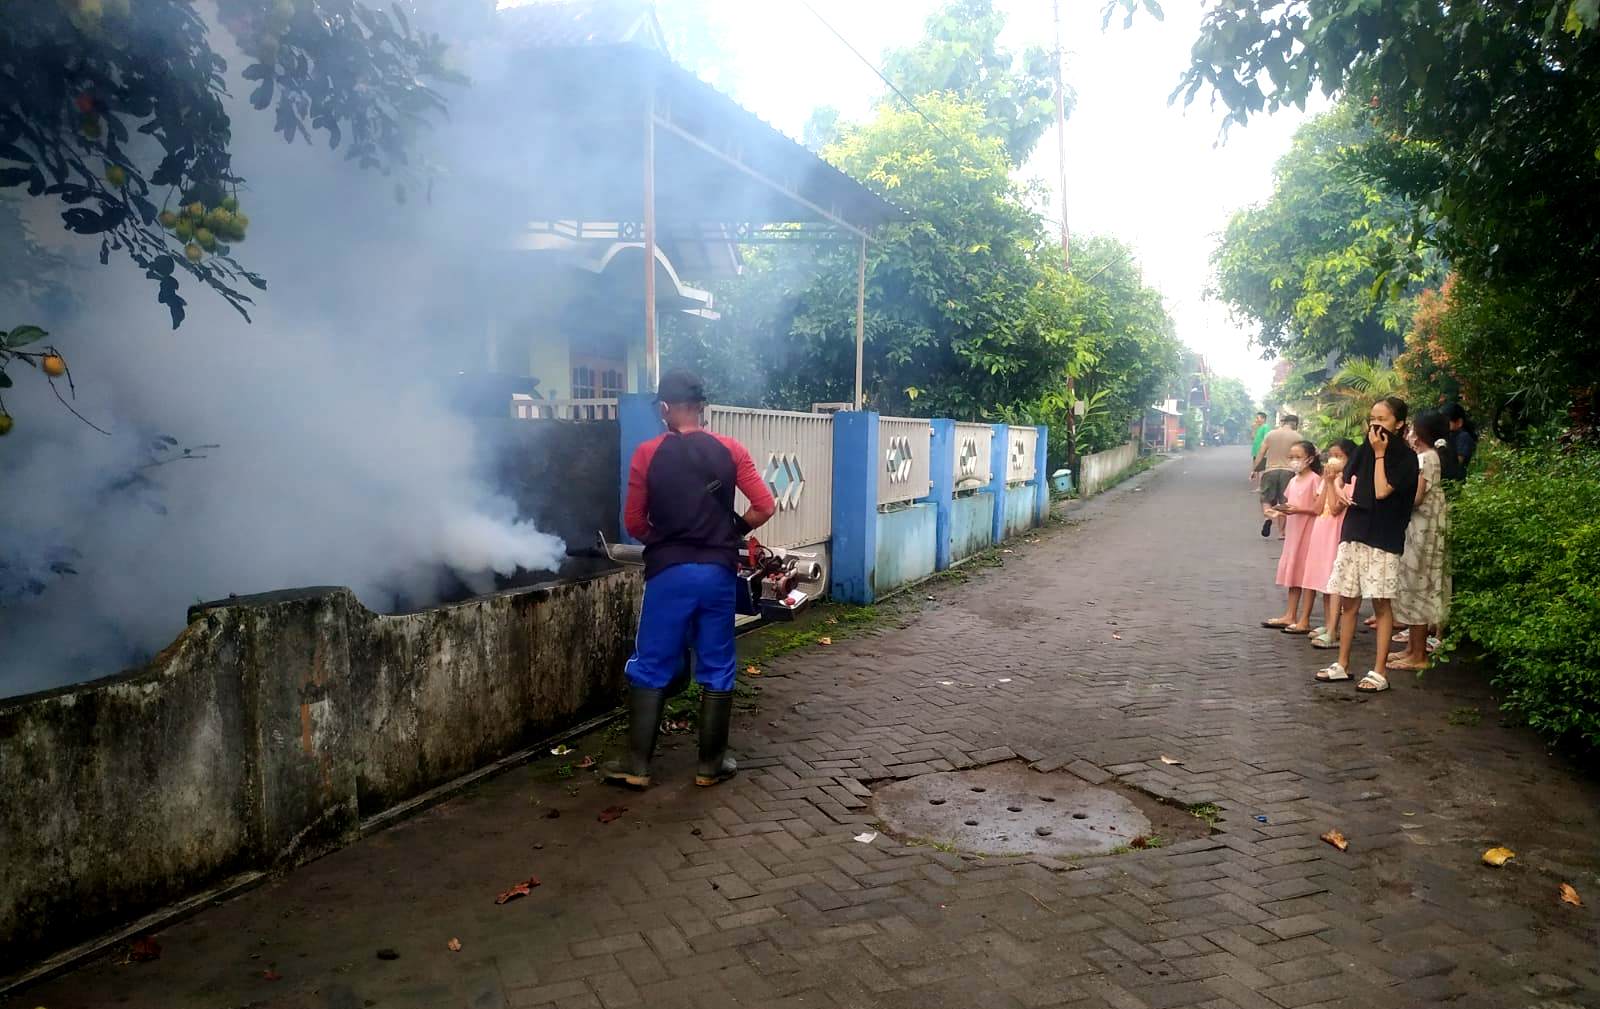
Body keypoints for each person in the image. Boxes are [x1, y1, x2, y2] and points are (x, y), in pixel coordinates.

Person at [604, 370, 776, 789]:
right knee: (717, 663)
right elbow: (765, 505)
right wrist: (731, 531)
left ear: (664, 408)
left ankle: (638, 768)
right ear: (701, 407)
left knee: (652, 662)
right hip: (718, 573)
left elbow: (633, 521)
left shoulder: (647, 454)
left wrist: (662, 540)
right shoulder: (730, 450)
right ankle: (709, 767)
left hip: (669, 574)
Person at [1315, 397, 1420, 693]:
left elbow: (1382, 490)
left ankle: (1378, 671)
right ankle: (1342, 664)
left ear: (1398, 424)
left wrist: (1380, 454)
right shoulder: (1363, 449)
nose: (1375, 424)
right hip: (1355, 531)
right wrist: (1338, 488)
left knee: (1381, 603)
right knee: (1349, 600)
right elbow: (1342, 478)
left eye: (1383, 419)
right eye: (1372, 418)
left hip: (1384, 537)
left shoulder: (1406, 458)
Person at [1388, 411, 1454, 671]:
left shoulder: (1425, 458)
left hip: (1421, 530)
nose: (1410, 435)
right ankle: (1412, 649)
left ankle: (1418, 656)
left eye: (1413, 430)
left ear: (1423, 433)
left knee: (1417, 586)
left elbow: (1415, 497)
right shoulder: (1433, 457)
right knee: (1418, 585)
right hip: (1426, 527)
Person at [1262, 440, 1322, 632]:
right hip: (1294, 531)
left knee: (1307, 576)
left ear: (1310, 459)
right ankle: (1290, 614)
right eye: (1291, 457)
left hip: (1308, 531)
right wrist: (1278, 511)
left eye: (1298, 457)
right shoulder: (1293, 480)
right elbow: (1290, 503)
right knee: (1294, 572)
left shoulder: (1315, 479)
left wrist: (1299, 510)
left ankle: (1304, 618)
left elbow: (1319, 509)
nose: (1294, 461)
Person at [1304, 438, 1357, 650]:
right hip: (1321, 529)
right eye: (1332, 455)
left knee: (1334, 581)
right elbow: (1318, 508)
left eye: (1340, 456)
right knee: (1323, 581)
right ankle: (1329, 625)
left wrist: (1332, 482)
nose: (1334, 460)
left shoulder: (1350, 480)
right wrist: (1327, 482)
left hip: (1337, 531)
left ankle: (1336, 628)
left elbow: (1335, 508)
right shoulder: (1326, 480)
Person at [1254, 414, 1302, 537]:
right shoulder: (1298, 437)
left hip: (1271, 469)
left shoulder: (1271, 434)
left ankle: (1268, 516)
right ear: (1295, 424)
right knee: (1284, 501)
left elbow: (1261, 452)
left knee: (1266, 498)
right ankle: (1281, 532)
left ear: (1283, 422)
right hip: (1288, 471)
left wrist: (1255, 469)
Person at [1444, 403, 1476, 476]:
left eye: (1447, 421)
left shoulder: (1463, 437)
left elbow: (1458, 463)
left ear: (1459, 422)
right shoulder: (1450, 435)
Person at [1249, 411, 1271, 487]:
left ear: (1263, 419)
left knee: (1261, 470)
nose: (1256, 420)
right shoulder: (1259, 427)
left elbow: (1266, 438)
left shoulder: (1266, 427)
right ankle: (1259, 486)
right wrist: (1253, 429)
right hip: (1256, 451)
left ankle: (1261, 486)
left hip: (1261, 452)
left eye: (1258, 418)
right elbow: (1253, 438)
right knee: (1257, 469)